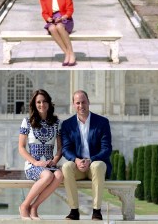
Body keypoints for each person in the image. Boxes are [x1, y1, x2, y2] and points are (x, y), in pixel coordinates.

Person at [61, 90, 112, 221]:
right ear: (73, 104)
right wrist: (76, 160)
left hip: (95, 165)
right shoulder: (67, 125)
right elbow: (66, 149)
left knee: (98, 165)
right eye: (77, 103)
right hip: (78, 167)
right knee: (66, 167)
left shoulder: (102, 122)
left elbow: (107, 149)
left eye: (83, 102)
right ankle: (74, 210)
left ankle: (96, 211)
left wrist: (90, 160)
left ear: (89, 102)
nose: (81, 105)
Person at [18, 89, 63, 220]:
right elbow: (21, 147)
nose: (41, 104)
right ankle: (24, 206)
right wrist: (36, 162)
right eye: (38, 102)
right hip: (33, 165)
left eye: (44, 101)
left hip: (49, 164)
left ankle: (34, 207)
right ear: (34, 104)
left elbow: (60, 148)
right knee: (48, 175)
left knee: (59, 175)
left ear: (49, 103)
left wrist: (55, 160)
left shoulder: (56, 123)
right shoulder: (27, 122)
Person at [39, 0, 76, 66]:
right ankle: (66, 53)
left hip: (65, 19)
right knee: (52, 28)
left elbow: (70, 9)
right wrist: (48, 19)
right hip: (52, 19)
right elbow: (44, 12)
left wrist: (63, 17)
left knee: (59, 26)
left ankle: (71, 53)